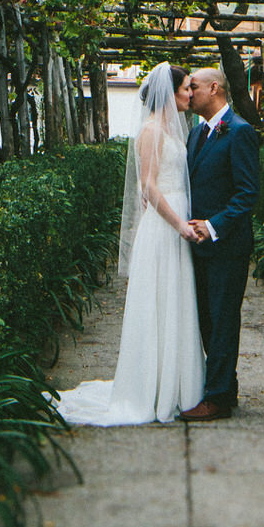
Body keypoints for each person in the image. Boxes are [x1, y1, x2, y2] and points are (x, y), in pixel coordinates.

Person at [54, 63, 207, 426]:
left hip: (177, 220)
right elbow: (151, 187)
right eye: (186, 88)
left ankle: (179, 383)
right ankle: (153, 387)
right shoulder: (152, 131)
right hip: (166, 228)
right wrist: (180, 226)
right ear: (169, 93)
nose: (190, 93)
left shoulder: (176, 129)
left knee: (177, 302)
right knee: (160, 302)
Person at [178, 66, 258, 423]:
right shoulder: (195, 135)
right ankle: (226, 385)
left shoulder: (240, 132)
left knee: (223, 320)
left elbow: (247, 194)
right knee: (206, 320)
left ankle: (217, 399)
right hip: (197, 245)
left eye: (193, 87)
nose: (188, 93)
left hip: (227, 245)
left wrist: (212, 226)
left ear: (215, 88)